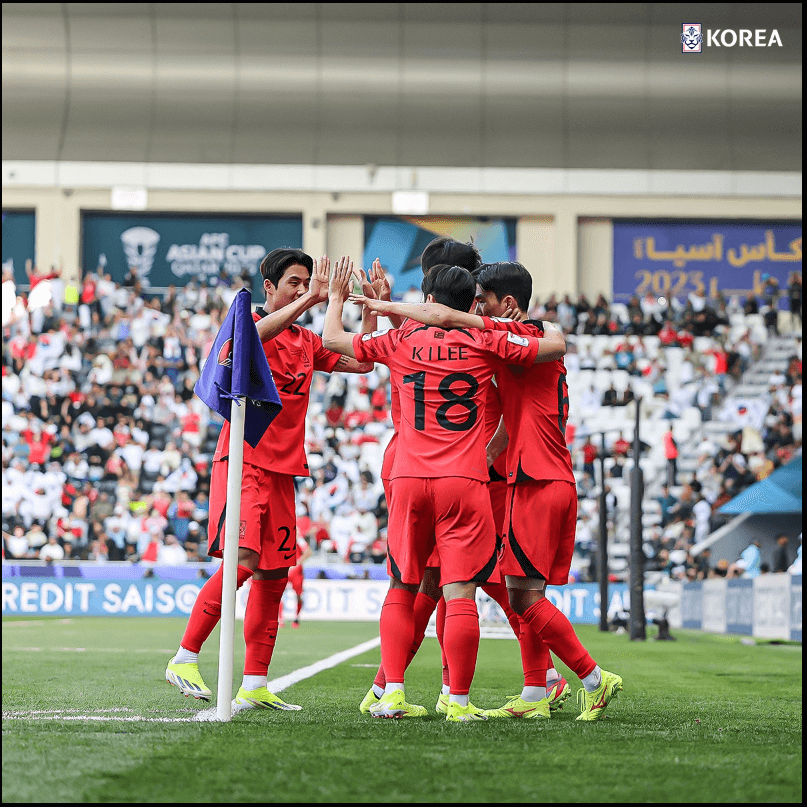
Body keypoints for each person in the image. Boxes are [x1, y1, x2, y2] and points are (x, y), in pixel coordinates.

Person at [368, 261, 623, 721]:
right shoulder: (521, 341)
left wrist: (388, 308)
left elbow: (454, 332)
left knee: (514, 594)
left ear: (506, 303)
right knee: (513, 588)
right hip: (537, 475)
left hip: (532, 478)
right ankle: (536, 690)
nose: (477, 309)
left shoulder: (519, 337)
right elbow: (511, 412)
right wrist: (484, 457)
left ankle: (590, 678)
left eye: (482, 300)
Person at [324, 261, 564, 722]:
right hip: (464, 481)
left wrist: (337, 298)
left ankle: (392, 692)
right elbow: (550, 348)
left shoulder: (401, 340)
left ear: (428, 300)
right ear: (470, 303)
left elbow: (333, 340)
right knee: (460, 593)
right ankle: (458, 702)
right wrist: (531, 326)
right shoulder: (484, 341)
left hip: (409, 478)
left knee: (402, 586)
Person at [165, 250, 374, 712]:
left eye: (306, 283)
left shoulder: (306, 341)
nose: (302, 289)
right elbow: (244, 343)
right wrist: (311, 300)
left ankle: (255, 683)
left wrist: (364, 308)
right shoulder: (250, 323)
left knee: (275, 575)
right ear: (269, 287)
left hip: (283, 470)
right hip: (244, 461)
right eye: (294, 282)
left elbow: (363, 363)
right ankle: (184, 657)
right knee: (241, 563)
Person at [281, 534, 312, 629]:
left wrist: (297, 563)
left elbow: (308, 552)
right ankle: (280, 619)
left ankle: (296, 618)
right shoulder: (282, 536)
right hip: (285, 570)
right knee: (279, 594)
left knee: (298, 595)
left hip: (296, 572)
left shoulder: (299, 538)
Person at [664, 423, 679, 487]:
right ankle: (672, 482)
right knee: (673, 469)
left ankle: (670, 481)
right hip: (672, 454)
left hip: (668, 454)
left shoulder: (666, 435)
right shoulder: (670, 435)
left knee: (670, 469)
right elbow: (674, 443)